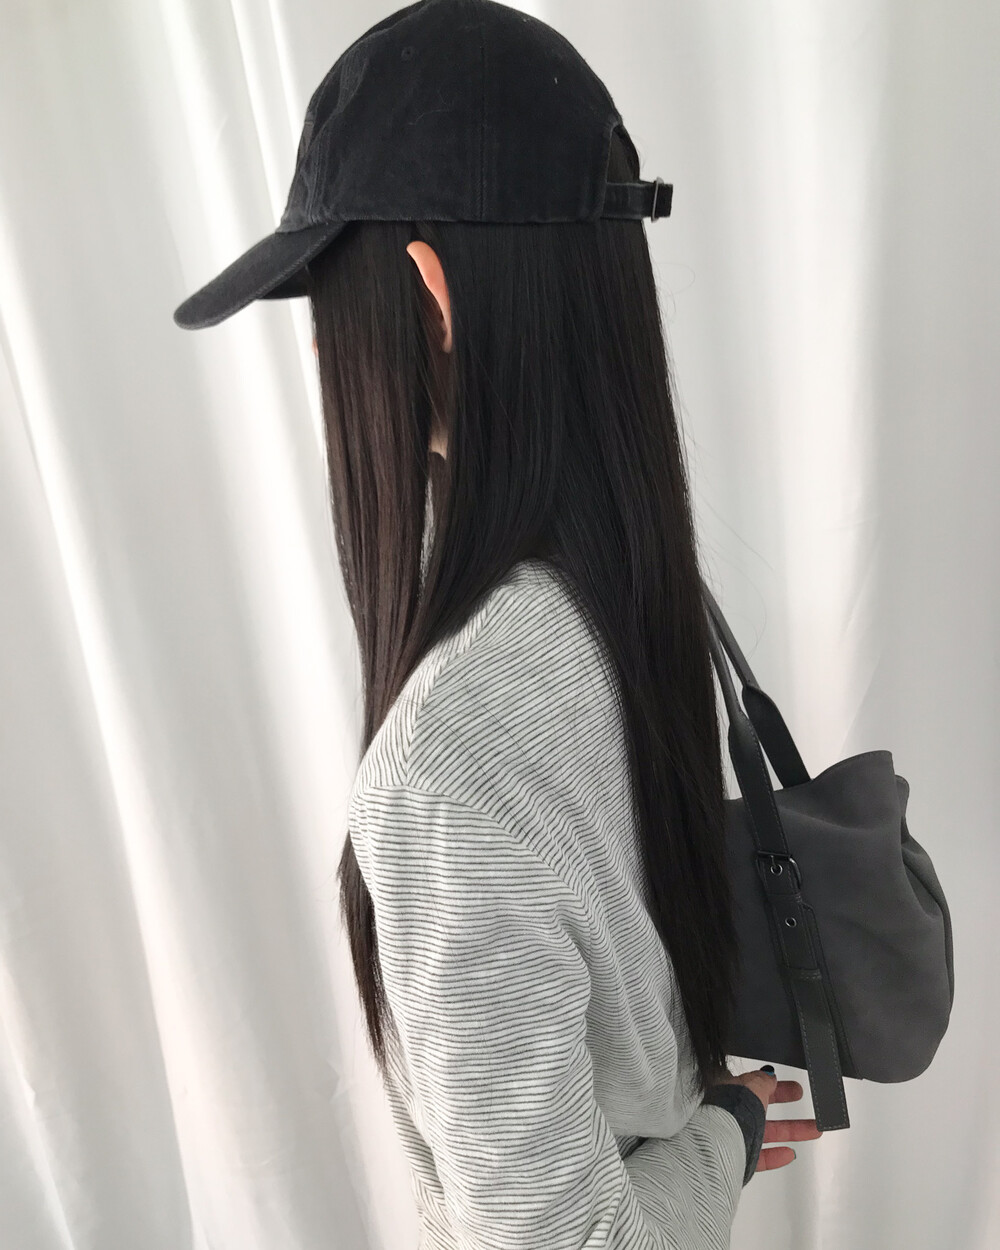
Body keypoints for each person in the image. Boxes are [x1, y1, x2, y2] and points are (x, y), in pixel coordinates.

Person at [175, 2, 823, 1244]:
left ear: (429, 296)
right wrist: (721, 1132)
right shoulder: (623, 593)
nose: (325, 352)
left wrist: (719, 1138)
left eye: (328, 303)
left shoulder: (448, 762)